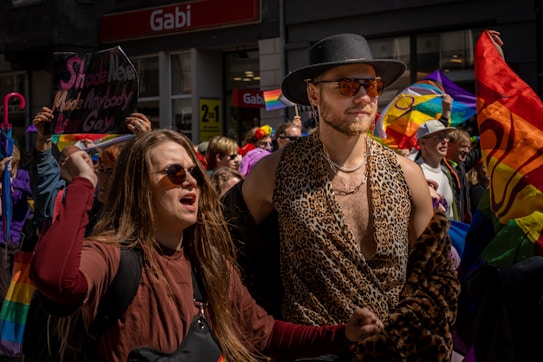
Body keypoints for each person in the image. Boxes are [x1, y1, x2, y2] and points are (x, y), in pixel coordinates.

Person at [29, 129, 385, 362]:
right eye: (174, 173)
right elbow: (54, 280)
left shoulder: (208, 265)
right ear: (140, 187)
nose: (190, 182)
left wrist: (343, 334)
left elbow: (265, 333)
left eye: (194, 173)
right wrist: (84, 183)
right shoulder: (111, 256)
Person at [222, 33, 459, 360]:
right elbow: (224, 245)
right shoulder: (275, 172)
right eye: (347, 86)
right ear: (313, 93)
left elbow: (435, 278)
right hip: (309, 352)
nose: (363, 97)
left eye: (371, 86)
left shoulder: (407, 175)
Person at [0, 145, 33, 304]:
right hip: (2, 238)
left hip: (18, 238)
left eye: (10, 163)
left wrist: (14, 182)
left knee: (19, 283)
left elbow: (35, 190)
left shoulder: (24, 176)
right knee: (3, 287)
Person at [413, 119, 457, 220]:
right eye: (438, 137)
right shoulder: (416, 173)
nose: (445, 141)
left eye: (446, 137)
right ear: (422, 142)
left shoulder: (447, 173)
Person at [446, 128, 481, 223]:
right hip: (448, 225)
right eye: (463, 146)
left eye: (469, 148)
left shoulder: (461, 167)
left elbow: (477, 152)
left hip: (462, 224)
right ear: (449, 145)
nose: (466, 151)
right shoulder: (440, 166)